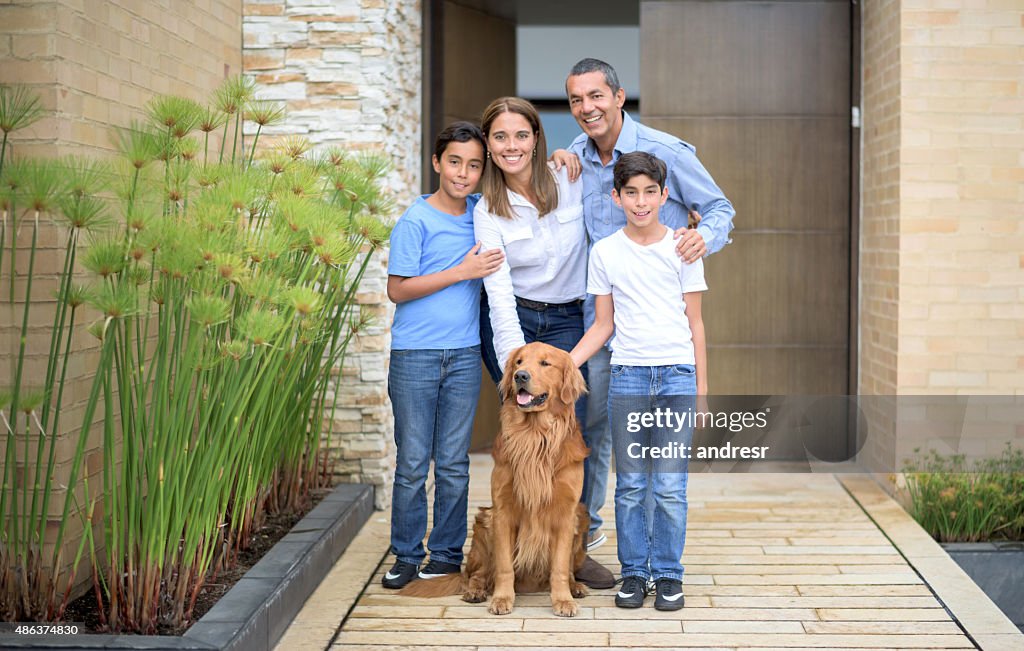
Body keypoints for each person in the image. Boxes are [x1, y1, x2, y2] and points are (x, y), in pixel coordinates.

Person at [560, 58, 734, 554]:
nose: (586, 108)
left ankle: (659, 554)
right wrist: (556, 160)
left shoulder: (665, 153)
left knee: (660, 461)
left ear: (619, 96)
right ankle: (587, 533)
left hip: (660, 326)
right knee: (592, 427)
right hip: (603, 318)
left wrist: (703, 237)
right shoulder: (575, 155)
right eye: (576, 100)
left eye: (596, 96)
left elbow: (721, 209)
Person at [473, 96, 615, 589]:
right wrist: (518, 366)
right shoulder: (488, 211)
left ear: (537, 138)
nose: (512, 146)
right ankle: (517, 544)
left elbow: (621, 198)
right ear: (489, 147)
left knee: (583, 426)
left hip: (570, 318)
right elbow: (498, 294)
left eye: (521, 135)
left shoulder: (569, 178)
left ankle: (577, 542)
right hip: (516, 319)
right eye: (500, 137)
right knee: (522, 420)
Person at [570, 151, 707, 611]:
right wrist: (566, 364)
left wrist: (702, 392)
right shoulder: (605, 251)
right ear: (617, 196)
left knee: (668, 485)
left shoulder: (683, 246)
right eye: (631, 192)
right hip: (627, 377)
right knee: (630, 486)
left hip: (676, 377)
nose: (641, 201)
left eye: (650, 192)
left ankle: (668, 574)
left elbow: (696, 324)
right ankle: (633, 574)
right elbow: (602, 325)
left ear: (664, 196)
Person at [382, 122, 505, 589]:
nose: (464, 173)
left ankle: (448, 553)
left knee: (453, 462)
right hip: (415, 356)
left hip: (463, 355)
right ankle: (408, 554)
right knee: (413, 462)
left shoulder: (482, 213)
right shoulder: (416, 220)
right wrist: (461, 272)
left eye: (474, 165)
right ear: (437, 163)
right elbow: (397, 290)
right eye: (455, 162)